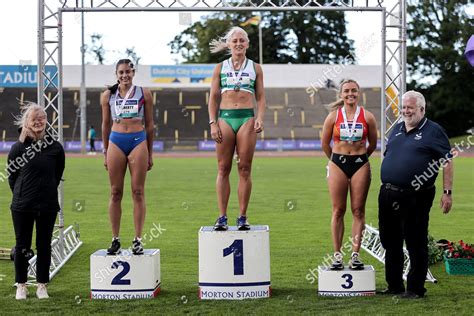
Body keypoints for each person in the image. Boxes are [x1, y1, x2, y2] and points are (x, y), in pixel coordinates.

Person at [378, 90, 453, 299]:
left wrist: (447, 192)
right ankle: (394, 285)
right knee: (390, 241)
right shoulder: (397, 129)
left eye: (410, 107)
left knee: (415, 242)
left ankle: (415, 288)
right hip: (388, 194)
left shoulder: (433, 131)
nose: (405, 111)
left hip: (416, 196)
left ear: (422, 108)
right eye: (403, 107)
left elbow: (447, 161)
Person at [208, 26, 265, 231]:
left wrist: (260, 117)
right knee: (223, 168)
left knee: (245, 168)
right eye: (235, 41)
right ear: (229, 44)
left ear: (247, 44)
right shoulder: (220, 68)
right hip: (225, 118)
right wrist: (213, 122)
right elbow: (213, 97)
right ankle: (222, 216)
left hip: (246, 118)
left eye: (242, 40)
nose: (239, 44)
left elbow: (260, 96)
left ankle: (242, 216)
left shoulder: (255, 67)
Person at [8, 104, 65, 300]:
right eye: (35, 118)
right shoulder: (18, 148)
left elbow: (57, 175)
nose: (39, 121)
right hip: (22, 206)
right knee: (22, 246)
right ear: (27, 122)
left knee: (44, 245)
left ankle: (42, 285)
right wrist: (23, 195)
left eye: (42, 118)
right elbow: (12, 177)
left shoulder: (55, 147)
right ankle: (21, 285)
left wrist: (45, 192)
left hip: (47, 206)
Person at [321, 79, 377, 270]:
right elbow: (324, 144)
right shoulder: (333, 116)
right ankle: (337, 256)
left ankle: (355, 255)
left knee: (358, 210)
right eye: (346, 91)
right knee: (338, 210)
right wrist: (336, 160)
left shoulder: (368, 116)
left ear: (358, 93)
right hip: (338, 163)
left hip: (360, 164)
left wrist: (361, 159)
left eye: (354, 91)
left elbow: (373, 145)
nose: (350, 94)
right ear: (341, 94)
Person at [101, 59, 154, 255]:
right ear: (116, 74)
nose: (125, 75)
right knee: (115, 192)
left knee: (138, 191)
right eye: (121, 72)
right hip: (116, 141)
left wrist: (150, 152)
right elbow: (105, 125)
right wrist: (105, 151)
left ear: (133, 73)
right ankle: (115, 239)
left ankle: (138, 239)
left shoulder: (144, 93)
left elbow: (150, 125)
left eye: (128, 72)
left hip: (138, 140)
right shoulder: (108, 95)